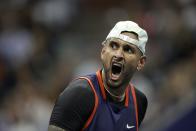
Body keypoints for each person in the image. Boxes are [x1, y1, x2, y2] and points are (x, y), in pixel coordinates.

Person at [48, 21, 148, 131]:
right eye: (113, 46)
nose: (118, 55)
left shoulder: (139, 102)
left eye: (128, 49)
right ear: (103, 51)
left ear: (141, 62)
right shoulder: (79, 95)